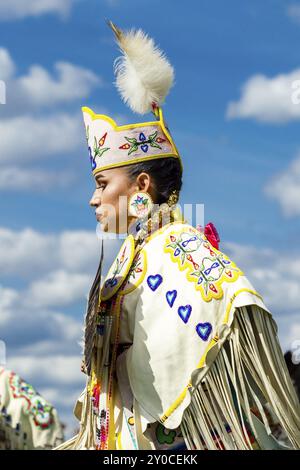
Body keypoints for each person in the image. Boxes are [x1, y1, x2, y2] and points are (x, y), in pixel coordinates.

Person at [55, 21, 300, 450]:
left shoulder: (172, 248)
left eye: (101, 184)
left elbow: (225, 308)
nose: (93, 200)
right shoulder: (140, 251)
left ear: (141, 186)